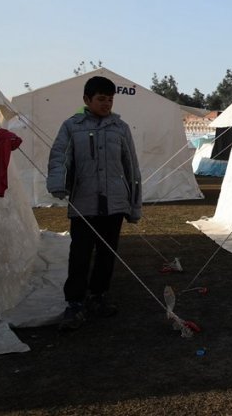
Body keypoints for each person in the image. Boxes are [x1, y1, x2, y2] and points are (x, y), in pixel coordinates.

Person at [47, 75, 142, 331]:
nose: (106, 104)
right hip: (84, 202)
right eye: (101, 99)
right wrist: (58, 182)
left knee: (106, 254)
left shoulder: (119, 128)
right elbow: (59, 157)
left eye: (110, 99)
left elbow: (131, 166)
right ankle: (75, 303)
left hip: (114, 203)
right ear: (87, 99)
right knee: (79, 254)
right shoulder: (72, 126)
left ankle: (98, 296)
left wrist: (134, 205)